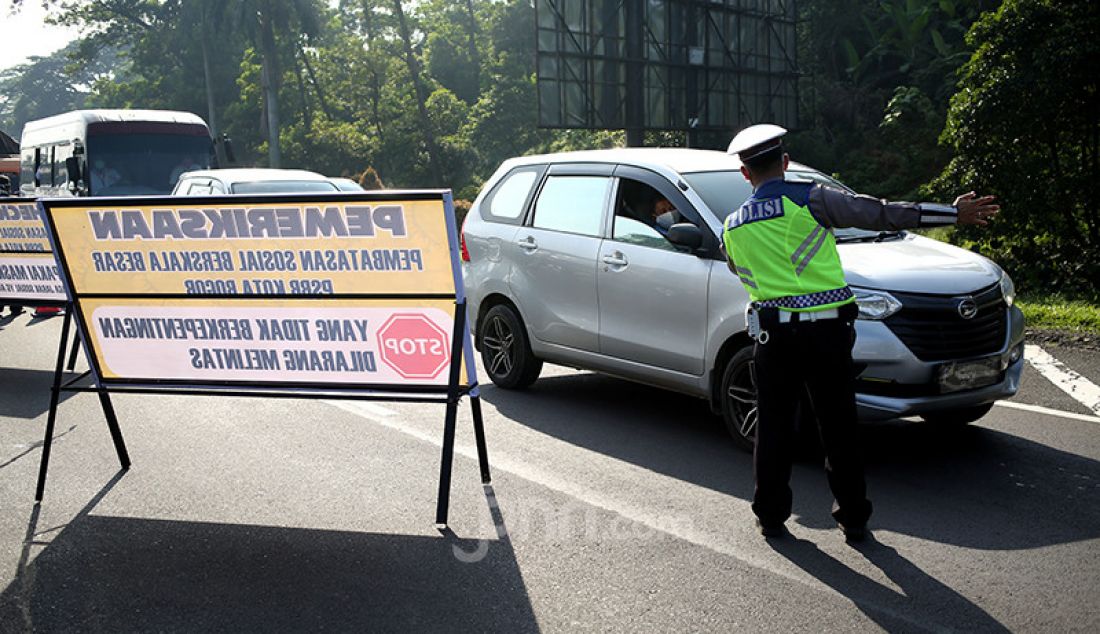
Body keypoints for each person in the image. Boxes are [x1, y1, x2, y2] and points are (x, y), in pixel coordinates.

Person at [722, 123, 998, 541]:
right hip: (826, 336)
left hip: (772, 340)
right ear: (785, 162)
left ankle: (771, 516)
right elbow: (880, 212)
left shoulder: (733, 225)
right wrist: (952, 213)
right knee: (838, 428)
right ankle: (853, 518)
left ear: (745, 174)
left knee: (774, 428)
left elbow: (737, 268)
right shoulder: (809, 199)